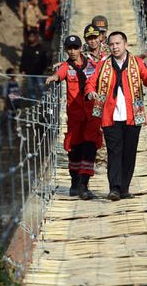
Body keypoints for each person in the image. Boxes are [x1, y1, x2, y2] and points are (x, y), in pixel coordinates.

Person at [85, 31, 147, 200]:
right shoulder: (103, 65)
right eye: (111, 44)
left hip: (133, 115)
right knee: (114, 152)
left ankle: (124, 188)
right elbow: (91, 81)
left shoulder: (136, 62)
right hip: (109, 116)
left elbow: (146, 77)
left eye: (118, 44)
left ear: (126, 45)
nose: (114, 47)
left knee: (129, 152)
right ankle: (114, 188)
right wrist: (90, 91)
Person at [45, 35, 103, 199]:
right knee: (75, 148)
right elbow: (60, 74)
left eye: (75, 47)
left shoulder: (92, 65)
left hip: (92, 113)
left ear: (81, 48)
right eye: (69, 48)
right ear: (66, 50)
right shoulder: (65, 66)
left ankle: (84, 184)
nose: (72, 51)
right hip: (75, 115)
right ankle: (74, 182)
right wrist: (54, 78)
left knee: (90, 147)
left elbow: (106, 70)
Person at [19, 30, 49, 99]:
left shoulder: (40, 48)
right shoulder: (26, 48)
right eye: (30, 37)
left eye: (32, 36)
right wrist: (22, 69)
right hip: (29, 73)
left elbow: (45, 60)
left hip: (39, 73)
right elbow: (23, 59)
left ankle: (44, 102)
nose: (31, 38)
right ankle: (33, 103)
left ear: (36, 37)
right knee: (31, 89)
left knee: (41, 88)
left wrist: (43, 68)